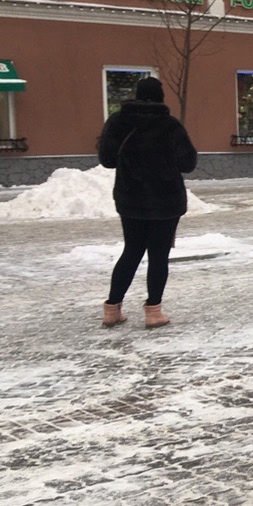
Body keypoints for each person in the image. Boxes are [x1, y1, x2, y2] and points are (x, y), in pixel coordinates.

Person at [97, 76, 197, 329]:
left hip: (130, 197)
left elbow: (107, 160)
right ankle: (153, 312)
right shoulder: (170, 126)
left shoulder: (118, 123)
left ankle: (112, 309)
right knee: (158, 255)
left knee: (131, 251)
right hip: (166, 201)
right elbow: (188, 163)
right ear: (161, 97)